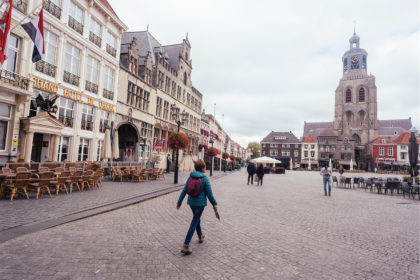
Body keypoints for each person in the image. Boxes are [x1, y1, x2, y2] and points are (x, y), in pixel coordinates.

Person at [176, 160, 218, 255]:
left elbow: (184, 190)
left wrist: (179, 202)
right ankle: (186, 245)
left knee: (196, 218)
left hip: (191, 203)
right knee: (195, 221)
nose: (206, 168)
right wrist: (215, 204)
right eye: (205, 167)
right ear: (202, 168)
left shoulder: (191, 176)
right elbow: (209, 194)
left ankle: (200, 236)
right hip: (200, 204)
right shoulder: (205, 179)